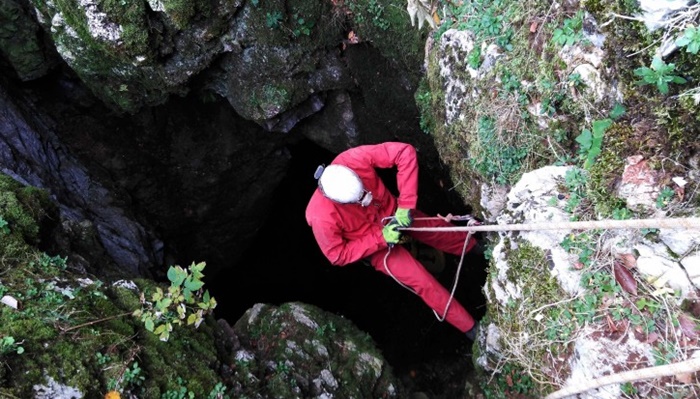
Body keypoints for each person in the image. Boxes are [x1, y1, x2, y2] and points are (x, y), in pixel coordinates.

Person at [305, 142, 479, 340]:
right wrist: (381, 238)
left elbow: (404, 152)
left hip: (394, 213)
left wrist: (405, 205)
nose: (365, 199)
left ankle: (474, 247)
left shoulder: (352, 159)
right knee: (422, 282)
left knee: (437, 231)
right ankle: (470, 328)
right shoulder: (320, 216)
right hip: (374, 246)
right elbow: (337, 255)